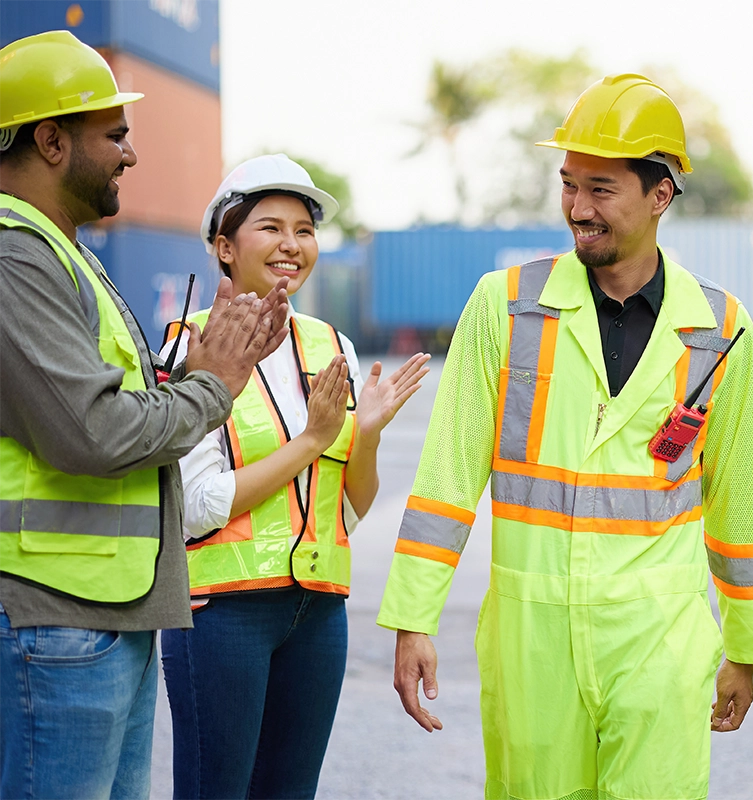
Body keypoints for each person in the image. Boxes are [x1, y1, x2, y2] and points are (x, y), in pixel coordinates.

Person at [377, 73, 753, 800]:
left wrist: (746, 649)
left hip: (662, 634)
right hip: (532, 642)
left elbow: (739, 499)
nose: (577, 209)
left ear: (661, 195)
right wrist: (412, 617)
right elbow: (446, 477)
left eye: (601, 189)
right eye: (568, 185)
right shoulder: (503, 307)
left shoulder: (721, 329)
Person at [0, 31, 289, 799]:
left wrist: (195, 372)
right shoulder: (14, 256)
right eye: (116, 135)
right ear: (52, 139)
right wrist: (213, 384)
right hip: (55, 619)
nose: (131, 155)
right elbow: (92, 431)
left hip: (104, 612)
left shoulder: (66, 254)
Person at [157, 154, 430, 800]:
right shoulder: (187, 346)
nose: (292, 244)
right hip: (222, 616)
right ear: (224, 247)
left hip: (316, 615)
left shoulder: (330, 345)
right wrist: (312, 439)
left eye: (304, 230)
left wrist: (366, 435)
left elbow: (350, 510)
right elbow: (195, 506)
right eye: (271, 227)